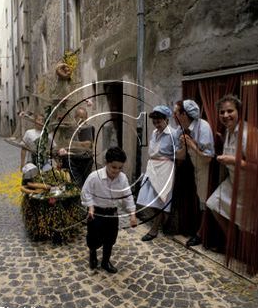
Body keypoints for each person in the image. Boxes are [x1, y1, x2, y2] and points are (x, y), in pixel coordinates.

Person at [81, 147, 137, 273]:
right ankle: (93, 255)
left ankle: (106, 261)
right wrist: (90, 206)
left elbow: (127, 196)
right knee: (93, 237)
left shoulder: (122, 178)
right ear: (106, 163)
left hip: (112, 213)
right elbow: (86, 192)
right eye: (113, 167)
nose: (116, 171)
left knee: (110, 238)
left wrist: (132, 215)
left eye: (120, 168)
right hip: (96, 213)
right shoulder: (94, 177)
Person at [206, 94, 252, 237]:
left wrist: (232, 160)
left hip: (249, 187)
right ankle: (232, 241)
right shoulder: (228, 131)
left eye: (230, 111)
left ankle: (243, 251)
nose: (225, 115)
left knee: (246, 226)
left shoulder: (247, 134)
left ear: (239, 111)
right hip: (233, 182)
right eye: (222, 112)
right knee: (213, 203)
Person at [173, 100, 215, 246]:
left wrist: (192, 144)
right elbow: (179, 156)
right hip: (193, 167)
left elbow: (208, 157)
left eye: (176, 112)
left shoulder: (203, 127)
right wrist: (184, 147)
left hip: (205, 167)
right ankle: (198, 231)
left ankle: (201, 234)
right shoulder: (180, 129)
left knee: (205, 201)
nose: (174, 115)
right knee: (199, 199)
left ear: (184, 114)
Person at [137, 105, 179, 241]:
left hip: (165, 169)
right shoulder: (155, 133)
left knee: (160, 200)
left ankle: (154, 229)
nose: (157, 125)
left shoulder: (173, 134)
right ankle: (161, 221)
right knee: (149, 199)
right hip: (152, 168)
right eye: (154, 122)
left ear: (166, 120)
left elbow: (177, 154)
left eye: (159, 122)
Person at [58, 107, 95, 187]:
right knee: (74, 183)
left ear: (86, 118)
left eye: (83, 117)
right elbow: (63, 142)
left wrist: (71, 143)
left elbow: (87, 144)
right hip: (72, 160)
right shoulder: (70, 129)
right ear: (75, 117)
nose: (81, 119)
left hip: (85, 160)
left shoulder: (87, 128)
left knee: (84, 183)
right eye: (79, 117)